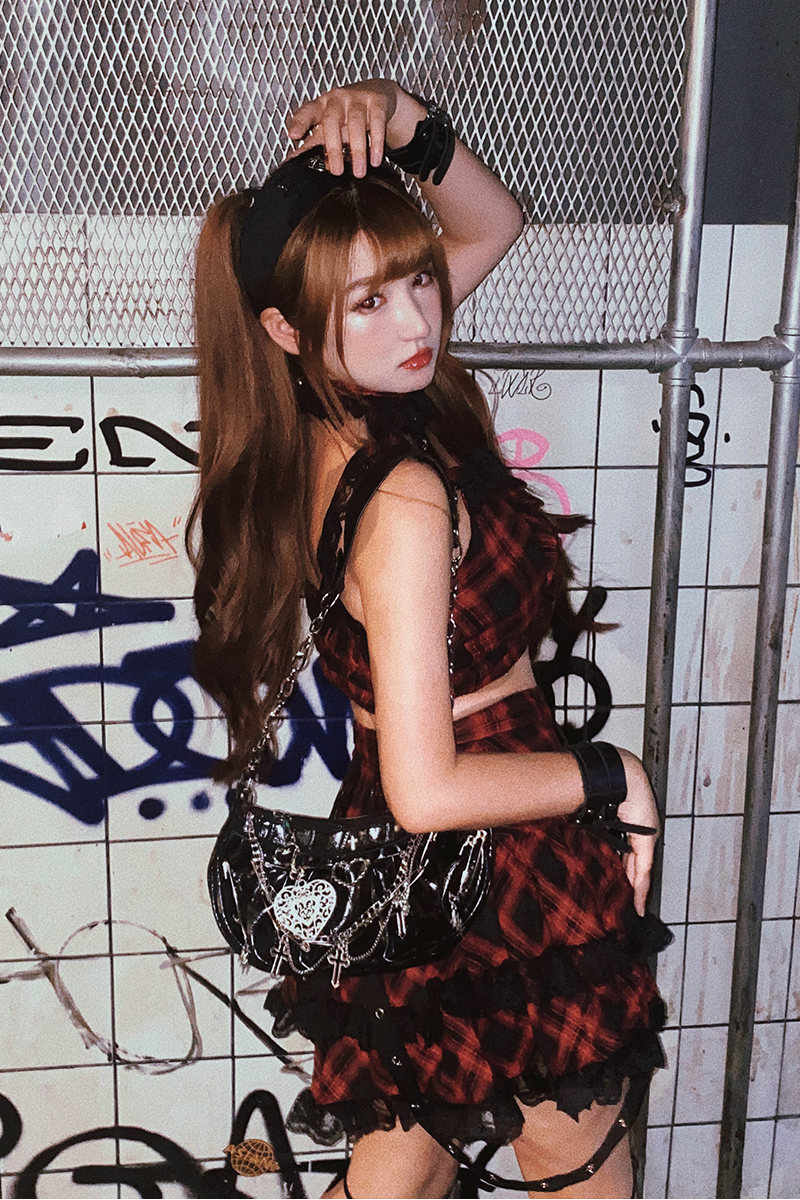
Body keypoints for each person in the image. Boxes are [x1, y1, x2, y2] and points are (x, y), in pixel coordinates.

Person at [189, 78, 670, 1199]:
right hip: (495, 847)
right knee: (576, 1167)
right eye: (368, 300)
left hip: (426, 863)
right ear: (286, 326)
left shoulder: (327, 414)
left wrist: (405, 122)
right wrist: (613, 774)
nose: (417, 321)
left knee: (400, 1165)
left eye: (416, 279)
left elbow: (491, 221)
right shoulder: (400, 496)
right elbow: (429, 789)